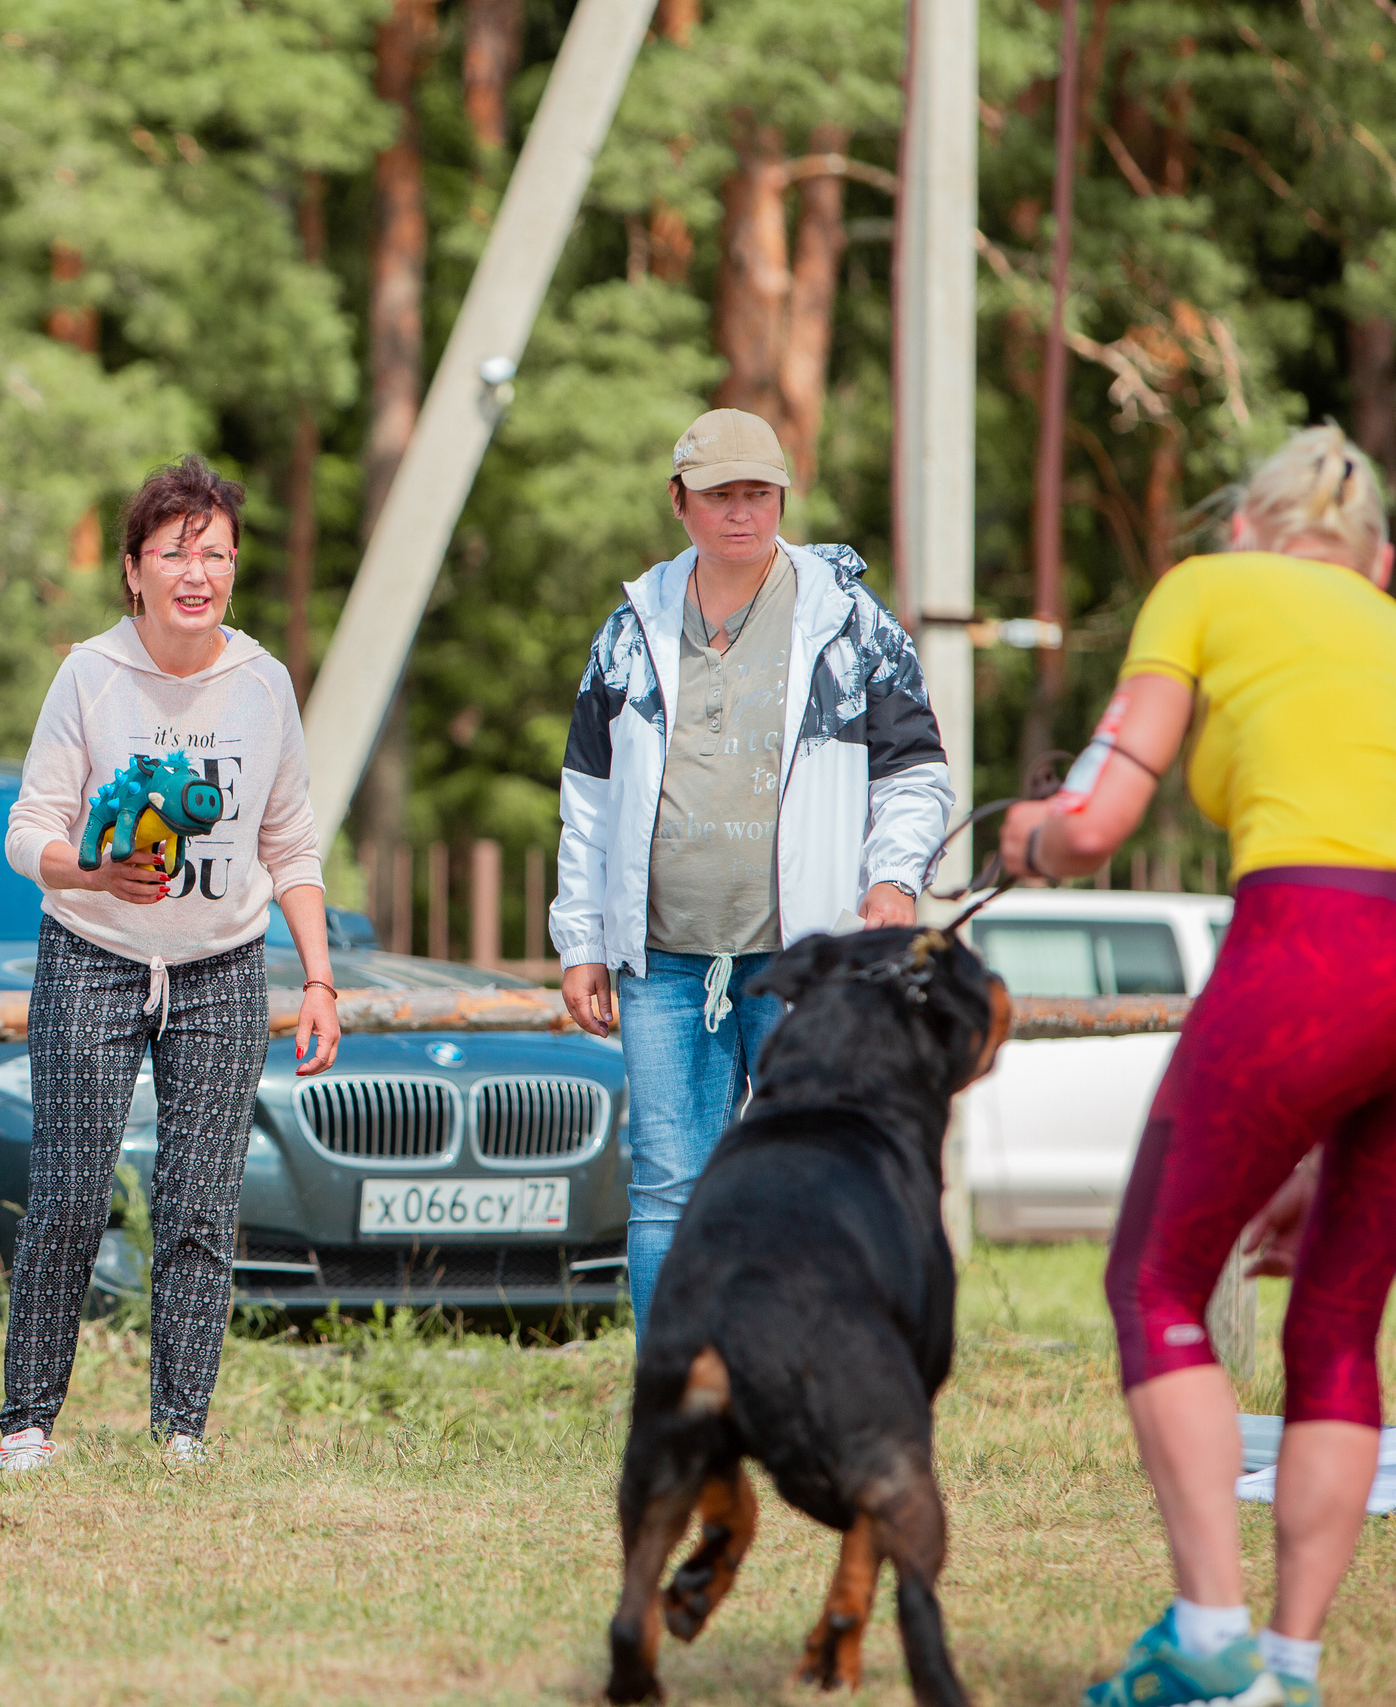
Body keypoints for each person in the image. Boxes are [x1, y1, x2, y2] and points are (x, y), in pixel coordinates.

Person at [1002, 426, 1396, 1707]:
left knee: (1154, 1278)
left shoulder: (1206, 588)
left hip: (1307, 945)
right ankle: (1286, 1666)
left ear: (1245, 529)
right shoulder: (1384, 626)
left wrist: (1031, 841)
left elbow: (1099, 817)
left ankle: (1211, 1635)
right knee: (1339, 1321)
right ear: (1374, 561)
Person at [551, 409, 953, 1333]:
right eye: (722, 494)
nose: (743, 513)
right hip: (661, 962)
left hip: (807, 961)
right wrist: (580, 937)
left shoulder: (849, 621)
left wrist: (893, 878)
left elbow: (918, 771)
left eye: (760, 494)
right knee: (667, 1191)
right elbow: (588, 800)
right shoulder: (629, 630)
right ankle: (676, 1401)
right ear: (679, 503)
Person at [0, 455, 341, 1472]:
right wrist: (93, 872)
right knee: (67, 1193)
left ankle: (181, 1430)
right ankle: (27, 1424)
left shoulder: (264, 683)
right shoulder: (88, 675)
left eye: (218, 555)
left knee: (199, 1204)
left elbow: (291, 845)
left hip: (223, 968)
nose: (199, 574)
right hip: (90, 956)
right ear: (134, 570)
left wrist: (317, 978)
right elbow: (27, 834)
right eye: (176, 554)